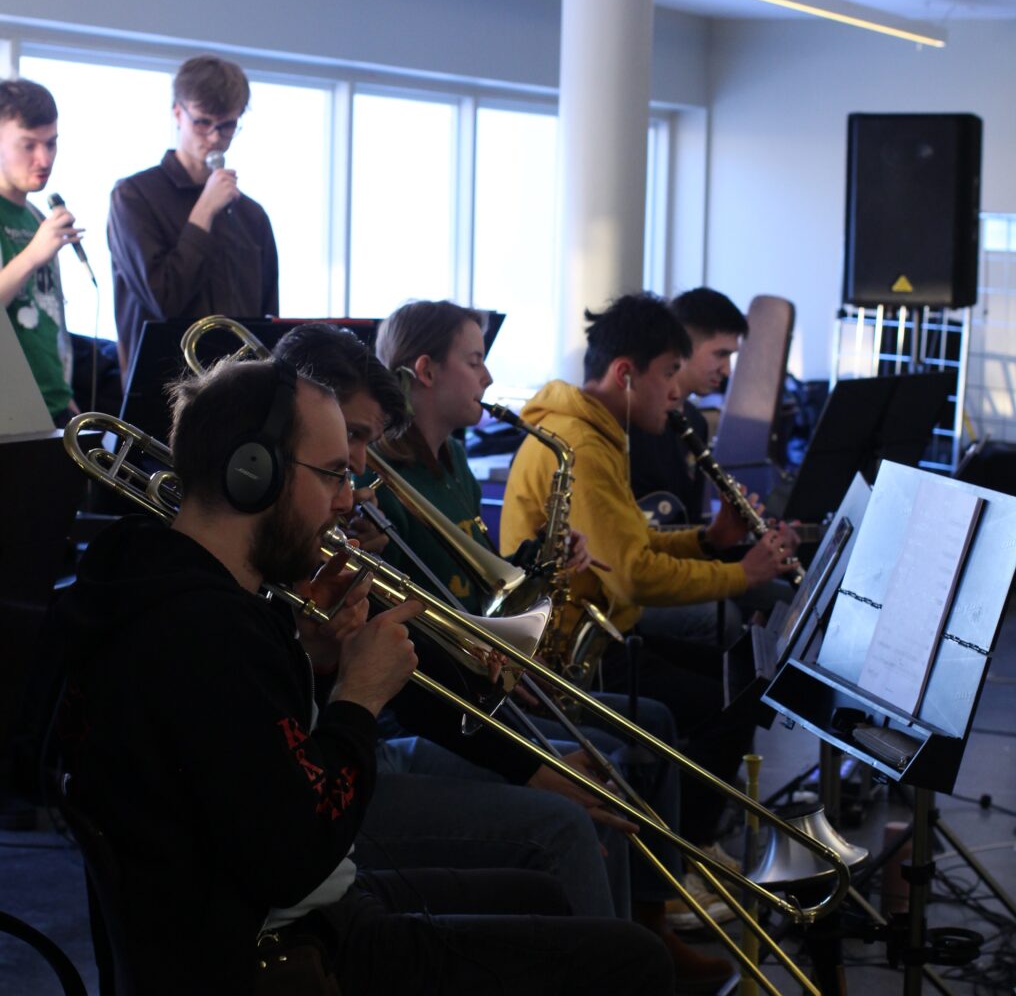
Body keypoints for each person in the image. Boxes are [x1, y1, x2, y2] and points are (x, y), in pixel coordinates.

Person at [53, 356, 673, 995]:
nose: (349, 499)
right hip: (282, 955)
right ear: (254, 473)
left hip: (284, 915)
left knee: (542, 895)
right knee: (634, 960)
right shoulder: (206, 634)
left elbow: (259, 767)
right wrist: (359, 697)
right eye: (333, 474)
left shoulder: (168, 590)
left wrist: (317, 660)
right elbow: (298, 852)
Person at [367, 301, 735, 981]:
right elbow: (431, 638)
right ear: (425, 371)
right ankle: (621, 958)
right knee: (605, 772)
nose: (488, 376)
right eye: (475, 360)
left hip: (488, 674)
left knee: (640, 737)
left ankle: (644, 931)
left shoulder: (454, 464)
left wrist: (540, 565)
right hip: (436, 705)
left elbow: (480, 594)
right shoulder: (384, 487)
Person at [272, 321, 626, 923]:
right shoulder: (279, 542)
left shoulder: (445, 466)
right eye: (349, 440)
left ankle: (639, 934)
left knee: (603, 771)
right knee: (565, 821)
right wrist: (528, 768)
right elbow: (394, 684)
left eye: (363, 442)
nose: (356, 476)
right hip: (349, 764)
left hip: (378, 738)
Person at [500, 292, 796, 865]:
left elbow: (629, 545)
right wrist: (741, 574)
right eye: (667, 373)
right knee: (730, 701)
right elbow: (633, 577)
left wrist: (710, 541)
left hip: (603, 636)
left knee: (737, 682)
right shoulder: (582, 444)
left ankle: (686, 839)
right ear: (625, 374)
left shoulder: (595, 431)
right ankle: (691, 853)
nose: (676, 390)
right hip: (575, 656)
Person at [107, 55, 278, 376]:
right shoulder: (134, 196)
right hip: (164, 389)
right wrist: (204, 211)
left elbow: (268, 321)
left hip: (243, 390)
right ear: (178, 113)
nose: (214, 137)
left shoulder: (252, 215)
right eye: (202, 123)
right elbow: (163, 301)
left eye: (227, 125)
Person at [630, 288, 749, 526]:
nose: (727, 371)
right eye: (720, 354)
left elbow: (688, 523)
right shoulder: (633, 417)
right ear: (683, 344)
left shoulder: (696, 422)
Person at [0, 78, 80, 426]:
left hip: (53, 403)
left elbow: (49, 318)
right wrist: (32, 255)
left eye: (51, 143)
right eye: (28, 145)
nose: (44, 159)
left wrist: (66, 396)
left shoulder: (36, 218)